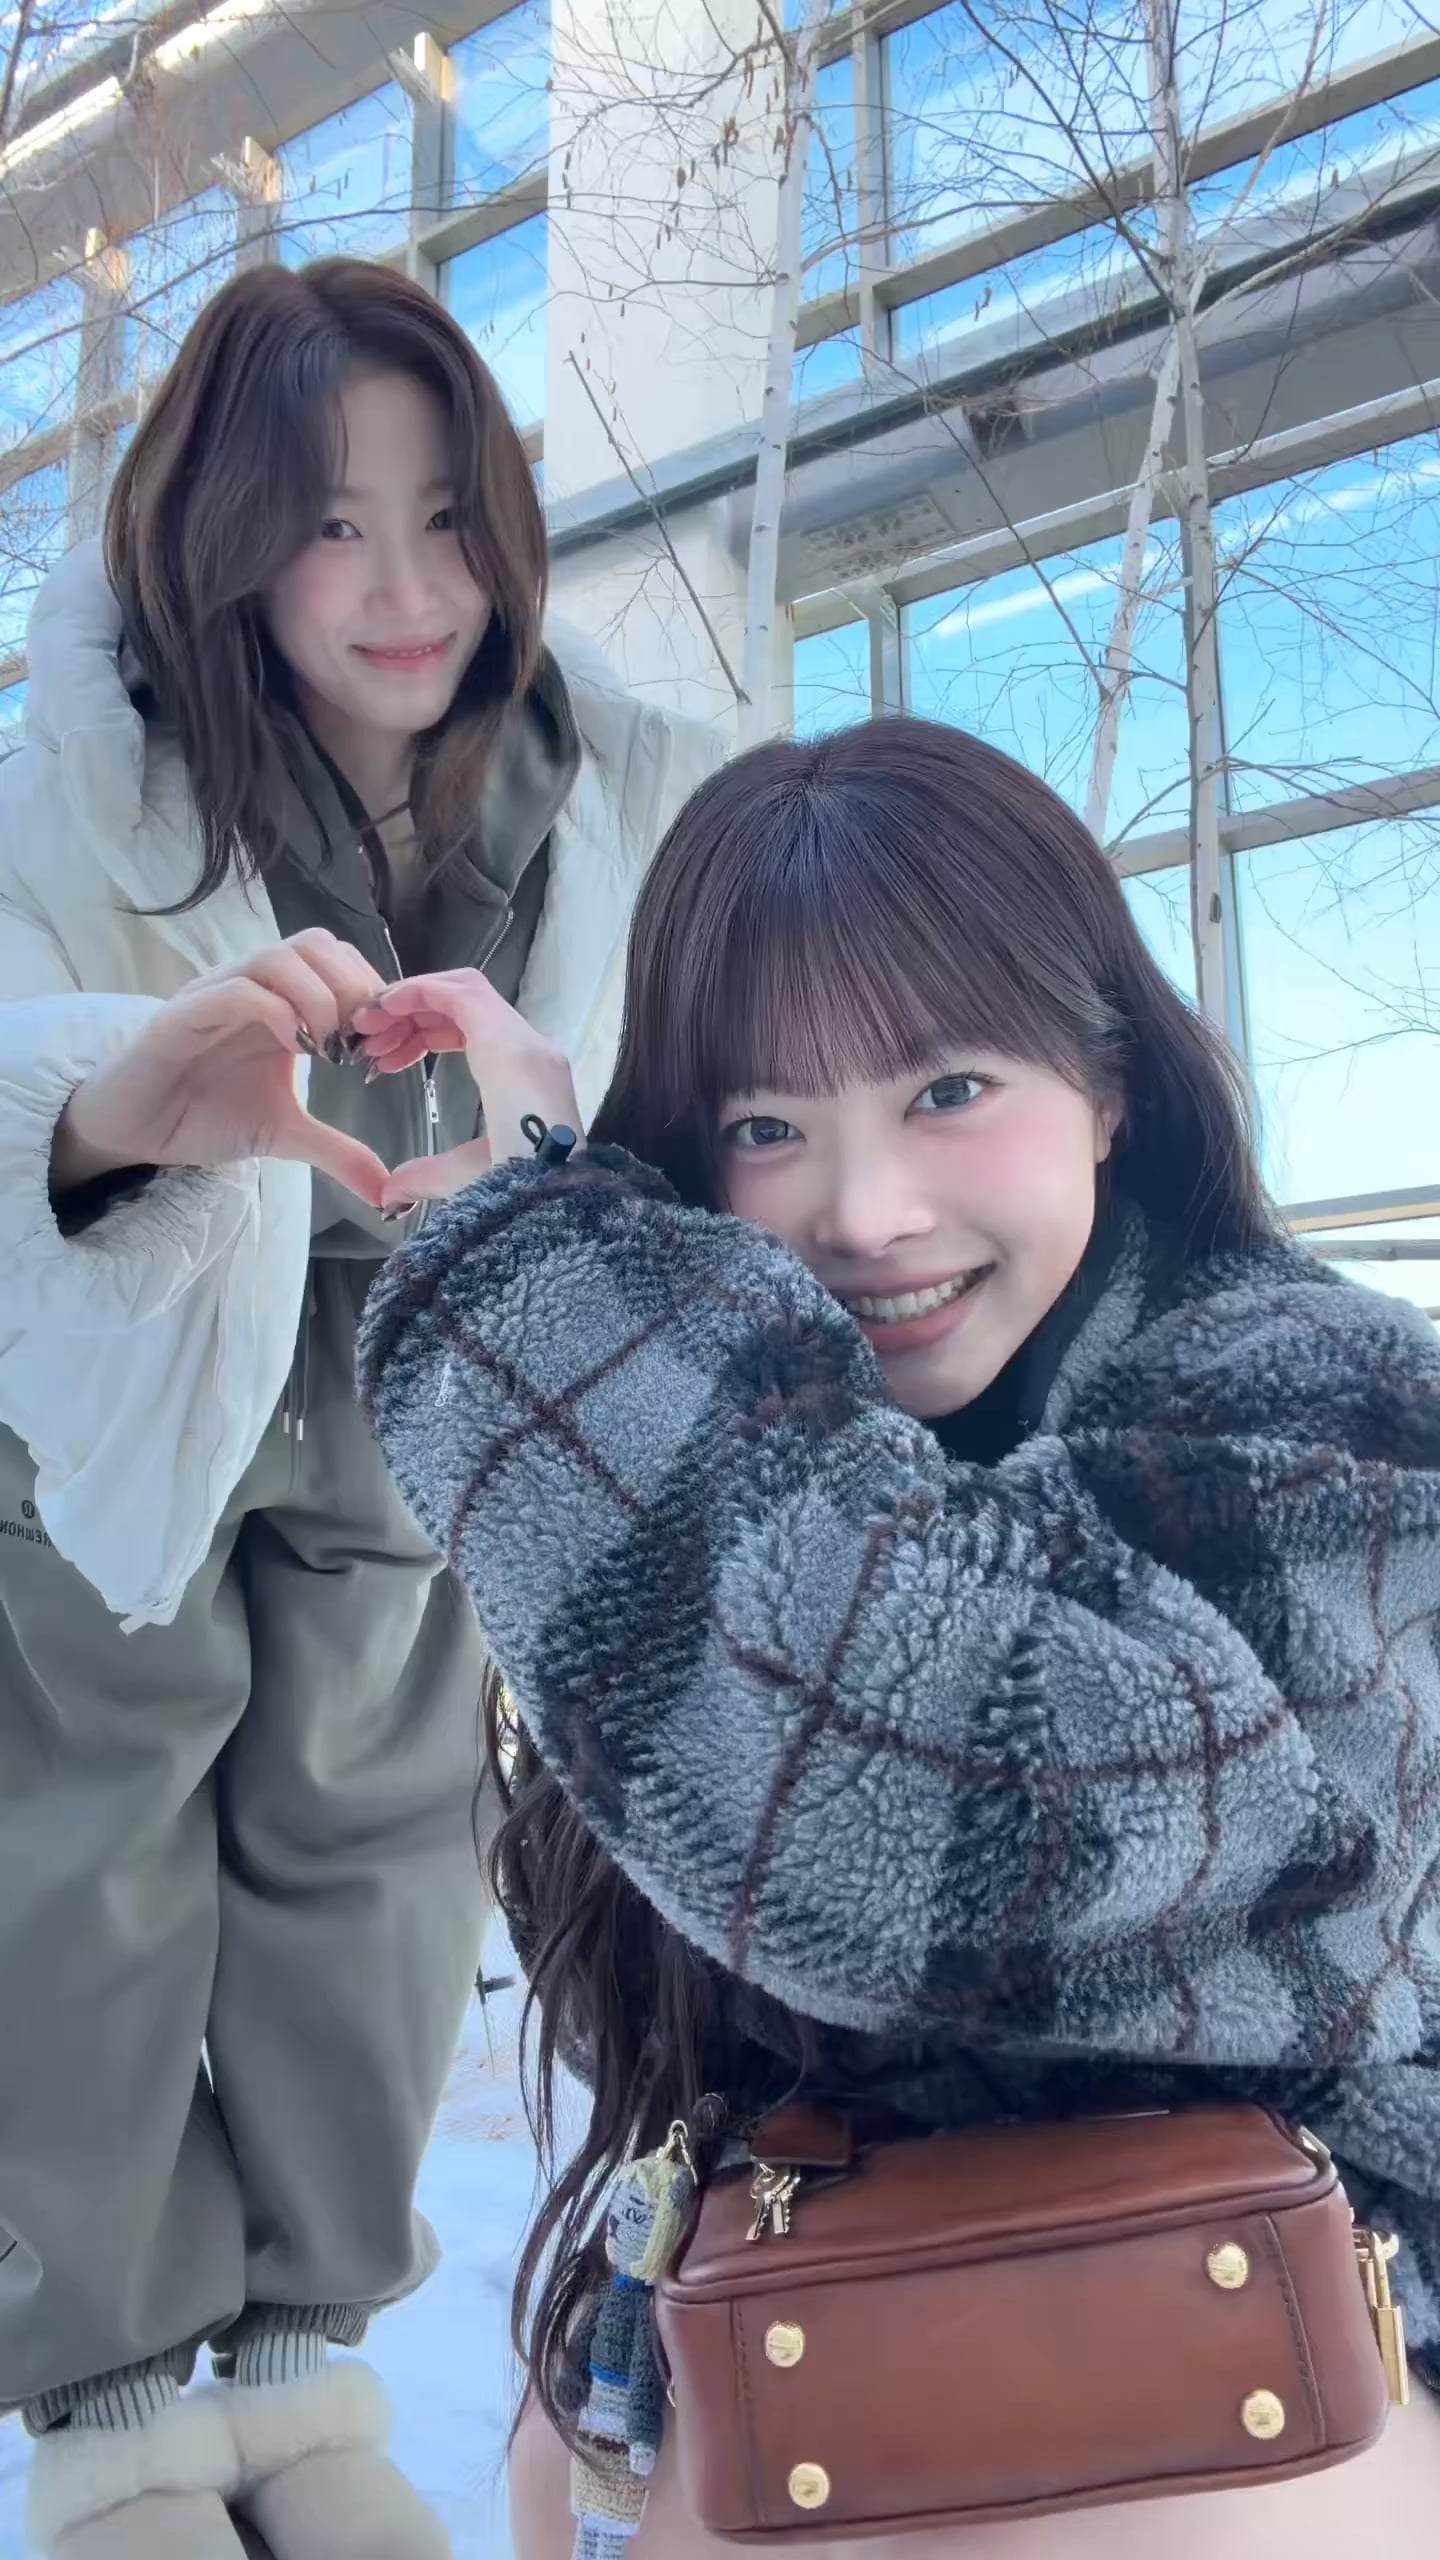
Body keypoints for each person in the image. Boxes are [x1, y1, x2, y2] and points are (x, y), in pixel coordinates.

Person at [354, 717, 1440, 2560]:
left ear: (1108, 1086)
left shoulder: (1329, 1414)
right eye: (768, 1128)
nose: (862, 1215)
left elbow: (928, 1812)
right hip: (883, 2352)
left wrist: (543, 1280)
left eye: (949, 1088)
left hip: (1293, 2372)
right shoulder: (809, 1463)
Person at [0, 256, 718, 2560]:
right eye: (330, 523)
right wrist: (121, 1096)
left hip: (409, 1352)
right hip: (128, 1353)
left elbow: (685, 1039)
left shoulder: (606, 765)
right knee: (91, 1851)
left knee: (378, 1832)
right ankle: (113, 2409)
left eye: (442, 516)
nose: (405, 588)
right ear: (224, 538)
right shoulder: (75, 763)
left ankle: (306, 2369)